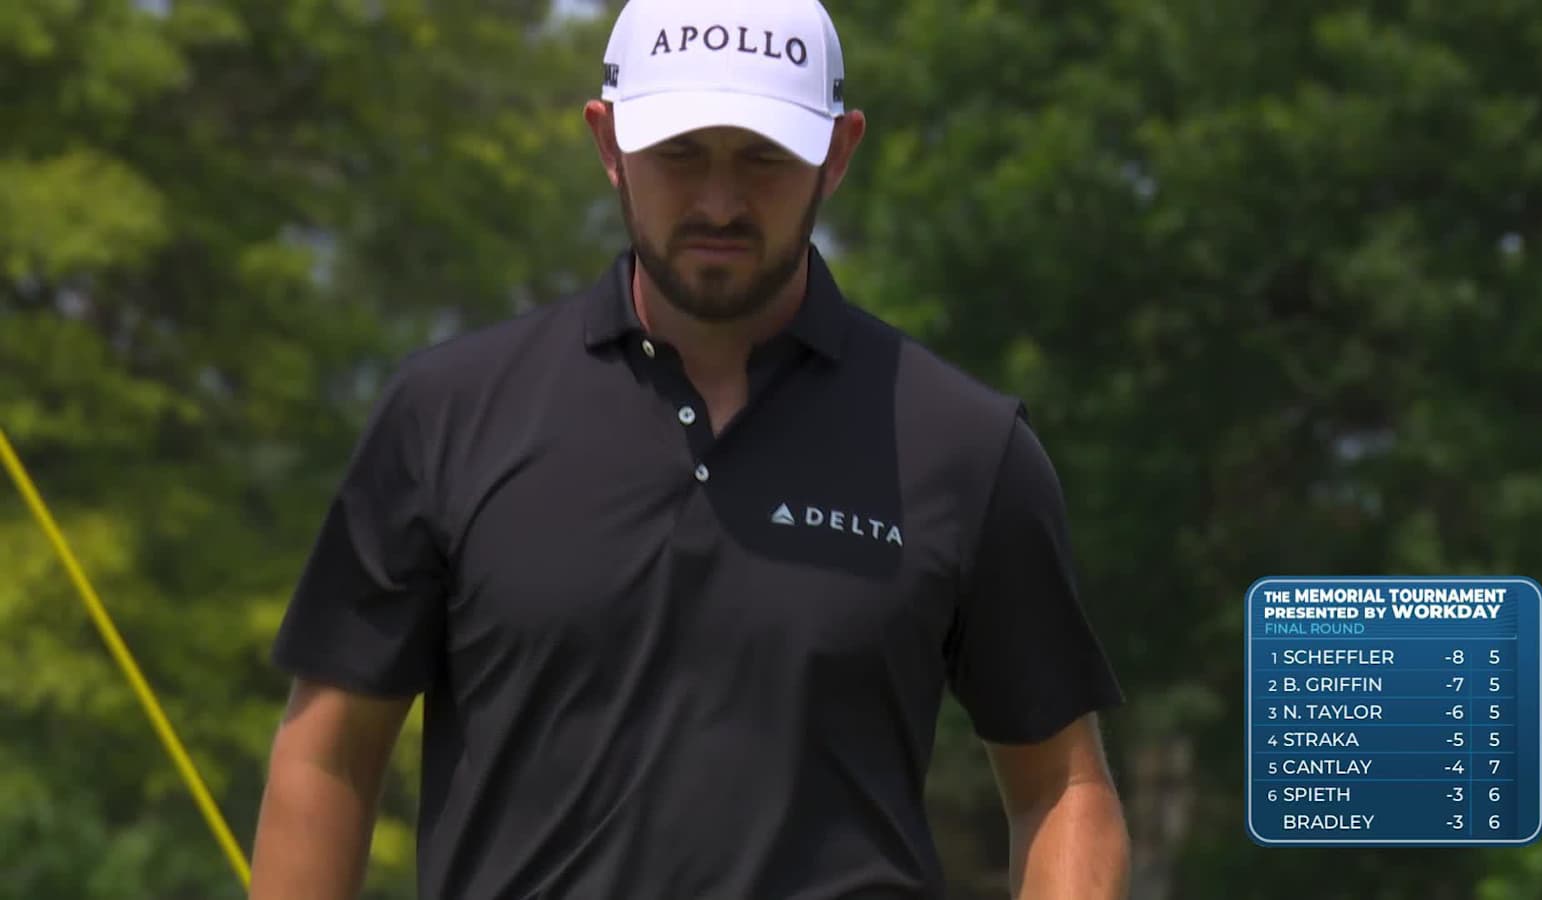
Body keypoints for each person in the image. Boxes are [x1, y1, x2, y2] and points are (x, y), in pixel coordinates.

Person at [247, 0, 1131, 896]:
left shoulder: (967, 446)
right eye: (679, 153)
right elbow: (330, 756)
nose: (719, 201)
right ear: (607, 141)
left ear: (838, 150)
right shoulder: (443, 415)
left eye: (762, 156)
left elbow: (1064, 787)